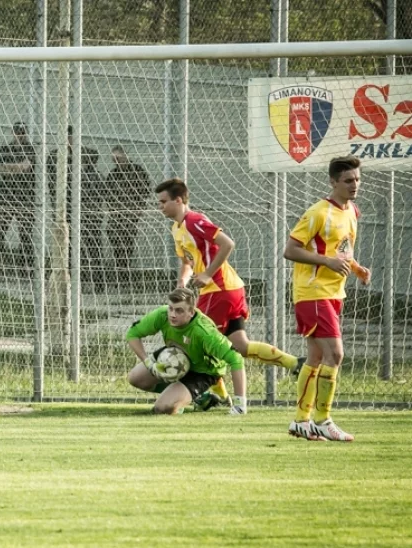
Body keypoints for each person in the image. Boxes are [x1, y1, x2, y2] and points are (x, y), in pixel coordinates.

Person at [155, 178, 303, 410]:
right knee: (240, 345)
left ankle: (217, 393)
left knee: (198, 343)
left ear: (179, 200)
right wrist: (183, 281)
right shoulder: (177, 228)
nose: (160, 206)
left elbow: (227, 244)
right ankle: (294, 363)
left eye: (163, 202)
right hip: (227, 289)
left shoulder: (195, 221)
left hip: (220, 290)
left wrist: (207, 275)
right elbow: (187, 261)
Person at [283, 156, 370, 442]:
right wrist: (326, 262)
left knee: (317, 357)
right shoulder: (319, 212)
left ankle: (301, 421)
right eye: (348, 180)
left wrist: (356, 268)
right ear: (333, 182)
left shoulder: (352, 211)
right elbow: (291, 250)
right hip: (313, 292)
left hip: (333, 292)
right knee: (336, 354)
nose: (354, 185)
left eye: (357, 179)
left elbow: (341, 250)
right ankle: (323, 419)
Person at [126, 287, 247, 415]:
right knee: (135, 378)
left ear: (191, 311)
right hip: (176, 355)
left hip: (203, 370)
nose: (172, 314)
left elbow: (236, 358)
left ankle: (194, 394)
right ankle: (200, 398)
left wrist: (240, 405)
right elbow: (132, 334)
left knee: (163, 408)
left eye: (179, 311)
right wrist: (148, 362)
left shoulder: (204, 332)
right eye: (170, 308)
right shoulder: (162, 315)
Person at [46, 126, 101, 287]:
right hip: (65, 208)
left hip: (85, 207)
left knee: (91, 242)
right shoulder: (55, 156)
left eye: (71, 138)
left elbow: (93, 155)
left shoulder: (85, 153)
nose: (69, 141)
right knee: (66, 243)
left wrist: (76, 153)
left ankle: (97, 279)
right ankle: (67, 277)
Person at [0, 122, 36, 268]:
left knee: (25, 233)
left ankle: (25, 266)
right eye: (18, 132)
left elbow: (25, 167)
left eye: (23, 132)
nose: (20, 135)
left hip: (25, 197)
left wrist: (7, 168)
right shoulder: (6, 148)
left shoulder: (30, 149)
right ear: (13, 132)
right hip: (6, 195)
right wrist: (15, 168)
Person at [105, 146, 151, 286]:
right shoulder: (113, 174)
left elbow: (145, 190)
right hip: (117, 213)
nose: (116, 162)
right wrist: (112, 209)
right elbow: (107, 194)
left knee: (126, 243)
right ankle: (121, 272)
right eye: (114, 159)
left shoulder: (137, 171)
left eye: (118, 158)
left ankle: (124, 273)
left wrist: (139, 207)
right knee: (114, 237)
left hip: (131, 213)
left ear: (125, 155)